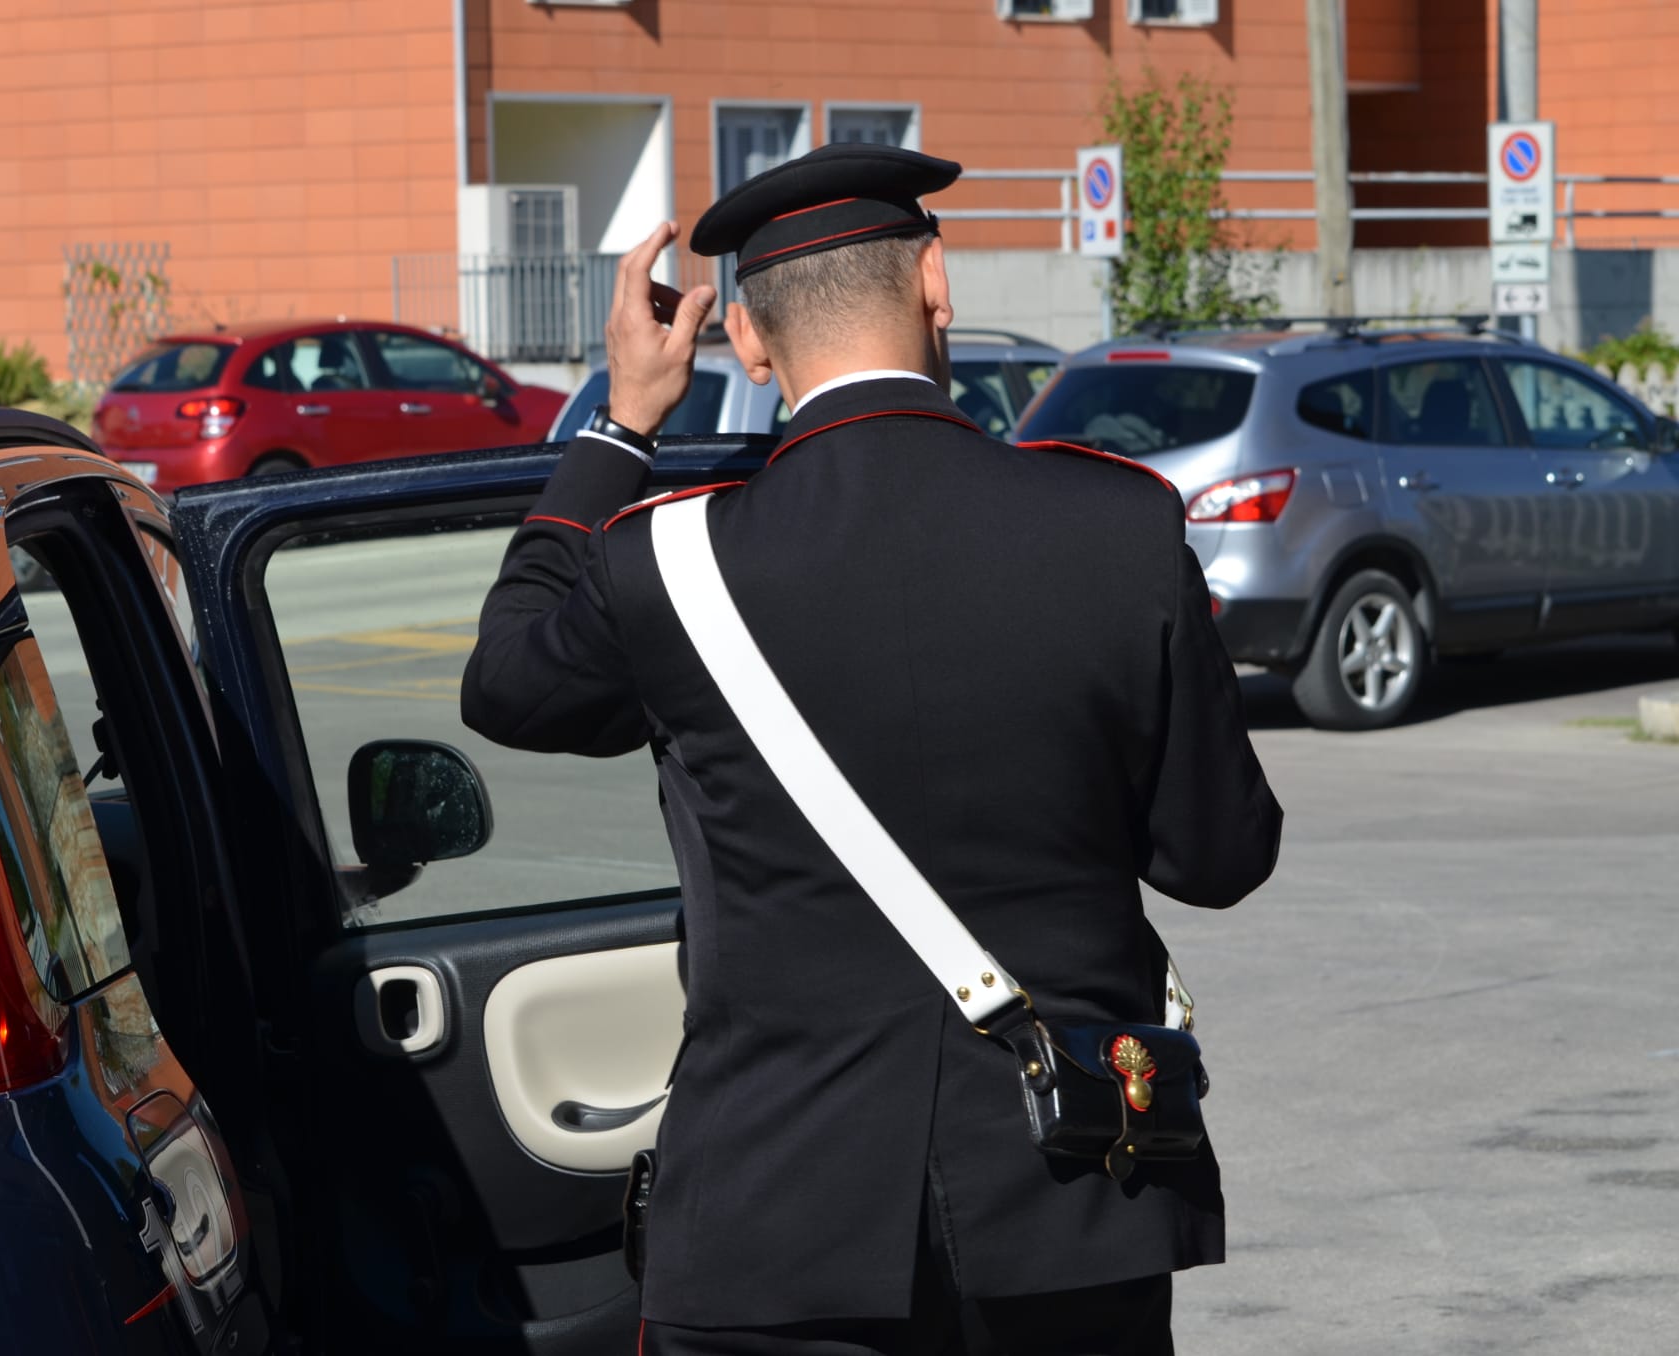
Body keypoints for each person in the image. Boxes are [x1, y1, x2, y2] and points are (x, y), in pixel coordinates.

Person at [460, 143, 1283, 1356]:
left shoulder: (667, 562)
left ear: (746, 340)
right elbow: (1218, 858)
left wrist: (621, 426)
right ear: (935, 284)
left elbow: (505, 685)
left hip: (773, 1222)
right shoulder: (1117, 521)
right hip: (1069, 1202)